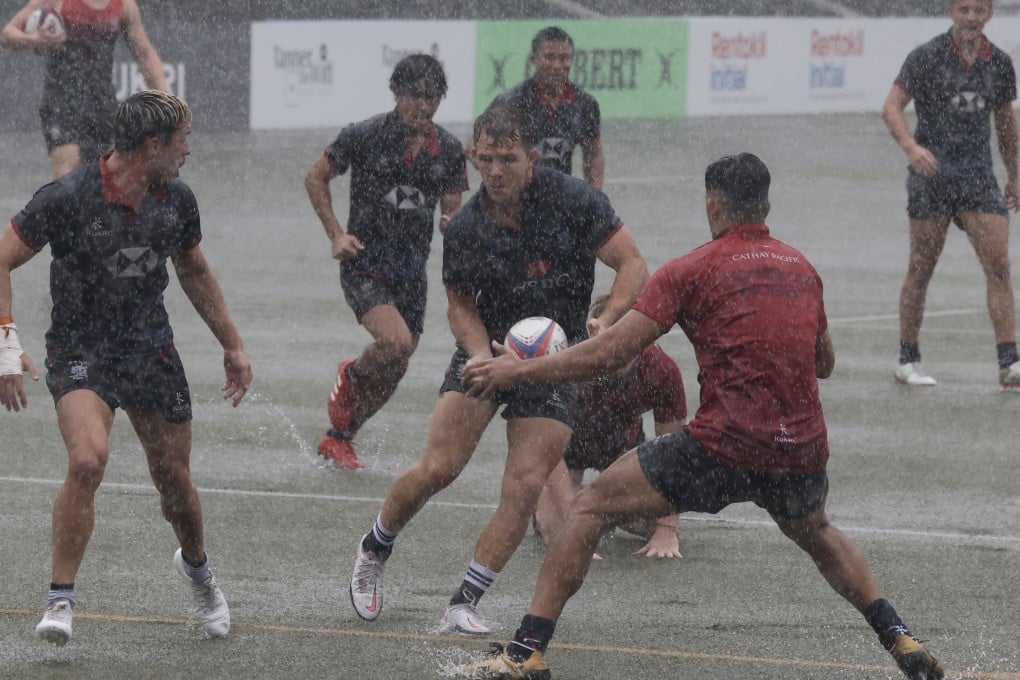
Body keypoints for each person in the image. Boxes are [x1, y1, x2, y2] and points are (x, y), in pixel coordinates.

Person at [459, 153, 944, 680]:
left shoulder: (691, 269)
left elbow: (610, 355)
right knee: (818, 531)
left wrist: (516, 373)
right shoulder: (802, 267)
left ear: (712, 204)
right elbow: (824, 363)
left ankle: (526, 651)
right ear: (767, 205)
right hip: (799, 449)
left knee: (590, 507)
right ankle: (901, 639)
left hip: (724, 446)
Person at [347, 103, 647, 636]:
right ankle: (375, 545)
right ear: (475, 156)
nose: (496, 172)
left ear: (533, 157)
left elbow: (631, 262)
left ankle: (464, 602)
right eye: (486, 159)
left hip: (554, 360)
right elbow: (459, 303)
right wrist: (480, 353)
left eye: (508, 159)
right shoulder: (465, 228)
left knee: (526, 482)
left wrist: (609, 321)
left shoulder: (575, 201)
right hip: (487, 350)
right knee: (438, 469)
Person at [0, 90, 252, 647]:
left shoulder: (177, 200)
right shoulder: (68, 196)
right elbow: (2, 257)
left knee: (175, 487)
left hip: (151, 351)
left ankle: (198, 570)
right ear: (152, 145)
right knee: (88, 459)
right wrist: (5, 345)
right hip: (80, 349)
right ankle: (60, 598)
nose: (189, 148)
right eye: (181, 139)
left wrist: (232, 344)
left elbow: (194, 271)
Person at [305, 54, 468, 469]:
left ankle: (341, 438)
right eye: (415, 95)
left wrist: (454, 222)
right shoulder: (365, 135)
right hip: (365, 262)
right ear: (397, 94)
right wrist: (335, 235)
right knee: (394, 343)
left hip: (412, 272)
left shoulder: (448, 149)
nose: (424, 105)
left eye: (432, 97)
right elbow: (315, 176)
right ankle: (353, 374)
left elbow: (452, 210)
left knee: (398, 362)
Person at [881, 0, 1020, 389]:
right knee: (921, 270)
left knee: (1000, 267)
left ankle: (1009, 363)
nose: (972, 18)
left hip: (978, 178)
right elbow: (891, 108)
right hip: (932, 178)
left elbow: (1007, 124)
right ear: (951, 12)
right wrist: (911, 147)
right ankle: (908, 358)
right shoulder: (925, 57)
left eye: (979, 10)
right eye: (965, 10)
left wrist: (1015, 175)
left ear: (990, 14)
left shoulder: (1000, 62)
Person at [533, 293, 686, 560]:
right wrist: (571, 526)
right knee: (550, 528)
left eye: (631, 339)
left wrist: (665, 530)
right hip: (565, 451)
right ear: (594, 336)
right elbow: (547, 449)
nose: (622, 350)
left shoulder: (661, 370)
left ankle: (597, 503)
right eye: (614, 341)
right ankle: (579, 502)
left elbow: (672, 453)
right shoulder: (568, 362)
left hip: (623, 451)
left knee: (649, 522)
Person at [1, 0, 167, 180]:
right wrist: (34, 40)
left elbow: (145, 54)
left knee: (99, 182)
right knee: (67, 177)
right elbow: (8, 35)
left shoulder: (125, 5)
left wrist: (167, 103)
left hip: (101, 103)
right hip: (61, 100)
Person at [468, 26, 603, 188]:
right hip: (516, 198)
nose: (557, 66)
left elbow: (593, 154)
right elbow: (473, 147)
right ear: (534, 59)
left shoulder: (585, 104)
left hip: (561, 197)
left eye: (564, 58)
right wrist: (497, 177)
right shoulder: (511, 102)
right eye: (549, 57)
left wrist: (596, 198)